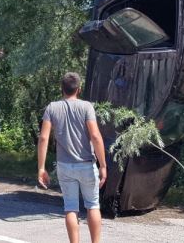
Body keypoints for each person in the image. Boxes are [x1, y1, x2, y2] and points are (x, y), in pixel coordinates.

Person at [37, 72, 107, 243]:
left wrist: (41, 168)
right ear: (79, 89)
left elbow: (44, 138)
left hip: (64, 166)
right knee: (92, 206)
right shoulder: (86, 107)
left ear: (62, 89)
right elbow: (96, 136)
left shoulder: (52, 108)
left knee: (70, 208)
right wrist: (103, 165)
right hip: (86, 165)